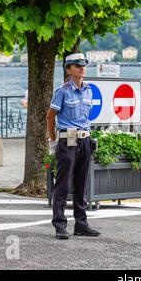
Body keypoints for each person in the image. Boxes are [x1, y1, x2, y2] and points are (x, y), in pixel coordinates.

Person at [46, 53, 100, 239]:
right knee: (62, 184)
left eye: (83, 64)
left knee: (81, 183)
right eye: (77, 65)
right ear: (68, 69)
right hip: (67, 140)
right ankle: (60, 225)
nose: (81, 68)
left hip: (84, 139)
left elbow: (86, 118)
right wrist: (53, 142)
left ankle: (81, 224)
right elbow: (50, 117)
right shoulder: (62, 91)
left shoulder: (89, 90)